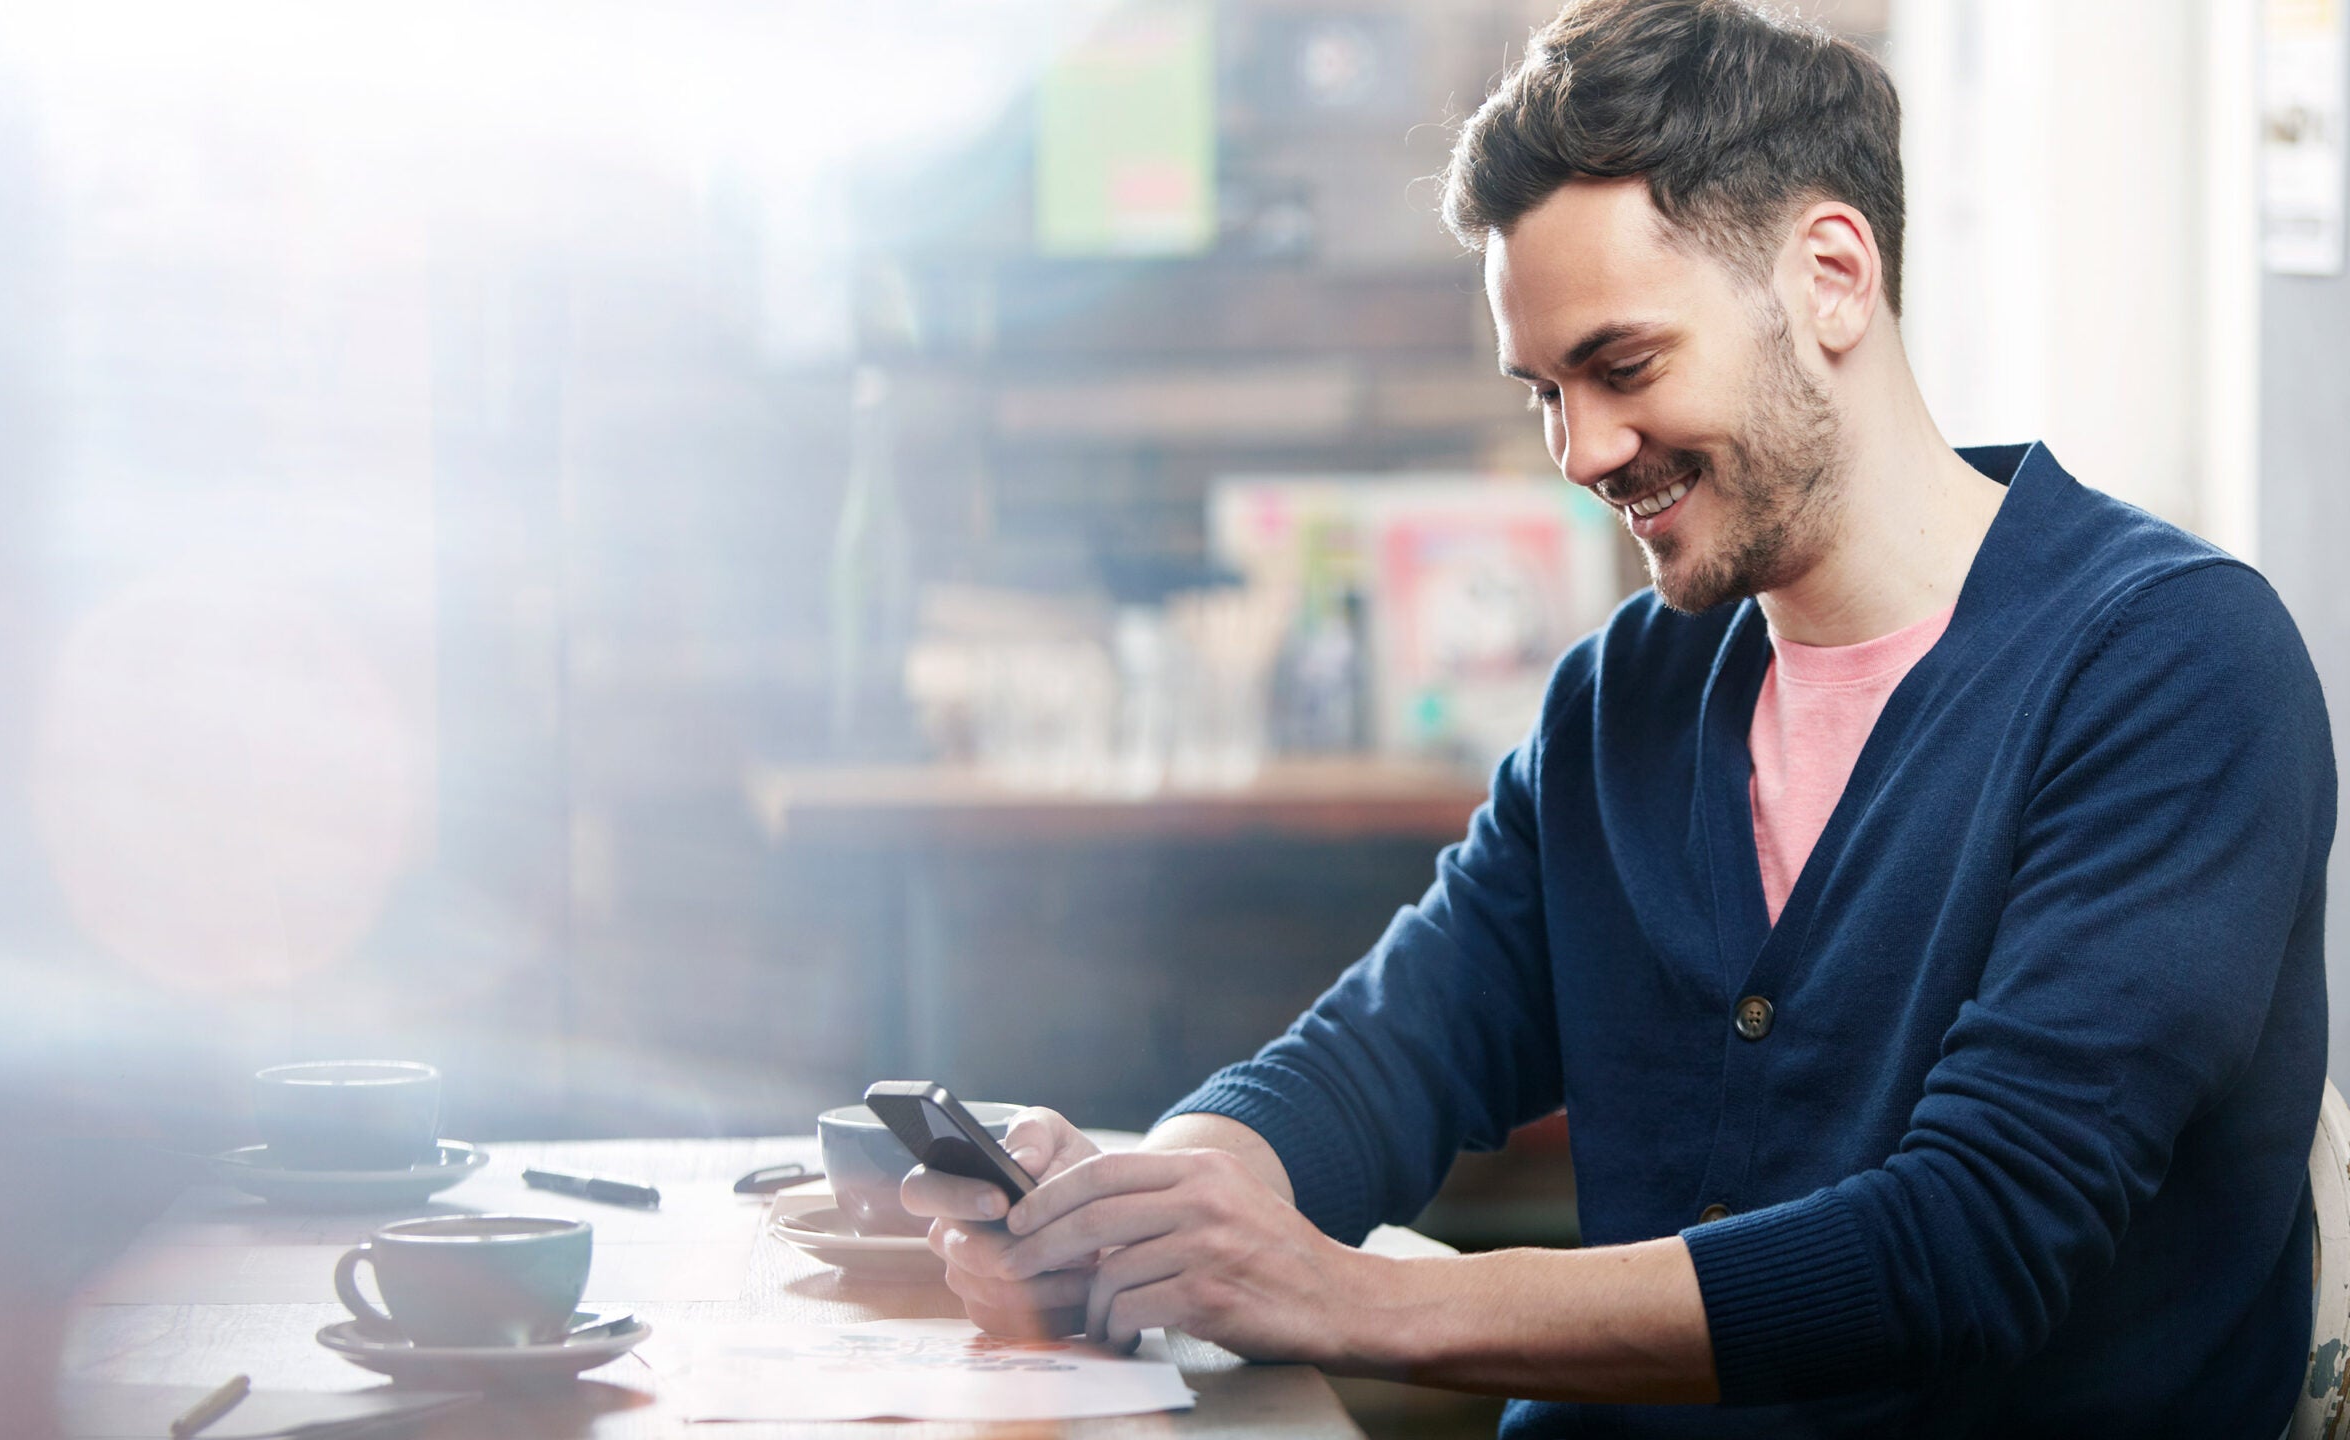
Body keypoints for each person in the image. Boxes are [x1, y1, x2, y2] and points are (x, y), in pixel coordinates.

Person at [902, 0, 2337, 1433]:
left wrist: (1347, 1299)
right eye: (1545, 393)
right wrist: (1161, 1203)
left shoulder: (2172, 665)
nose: (1582, 453)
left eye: (1624, 367)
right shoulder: (1628, 694)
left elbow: (1967, 1247)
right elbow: (1396, 1047)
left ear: (1833, 275)